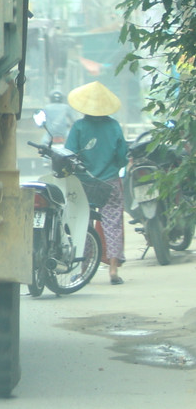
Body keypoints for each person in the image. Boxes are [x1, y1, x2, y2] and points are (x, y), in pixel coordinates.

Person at [64, 81, 128, 284]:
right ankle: (113, 270)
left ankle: (84, 271)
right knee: (113, 223)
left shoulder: (79, 127)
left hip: (85, 183)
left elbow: (69, 154)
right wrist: (114, 167)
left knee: (84, 223)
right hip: (110, 182)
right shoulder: (114, 126)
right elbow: (122, 156)